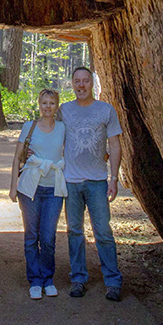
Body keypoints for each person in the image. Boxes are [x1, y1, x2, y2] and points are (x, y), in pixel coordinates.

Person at [61, 66, 123, 301]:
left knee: (103, 232)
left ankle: (113, 281)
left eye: (85, 81)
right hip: (71, 181)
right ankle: (78, 278)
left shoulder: (105, 110)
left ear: (92, 83)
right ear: (72, 84)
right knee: (74, 231)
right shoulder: (64, 110)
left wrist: (114, 178)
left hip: (97, 181)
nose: (81, 85)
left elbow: (115, 145)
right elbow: (52, 135)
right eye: (77, 81)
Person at [9, 88, 67, 299]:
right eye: (44, 103)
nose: (47, 107)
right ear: (39, 105)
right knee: (31, 235)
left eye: (51, 103)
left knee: (48, 236)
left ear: (57, 106)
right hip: (30, 188)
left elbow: (72, 151)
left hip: (53, 188)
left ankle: (48, 278)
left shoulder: (62, 128)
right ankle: (34, 280)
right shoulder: (29, 127)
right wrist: (12, 186)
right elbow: (17, 158)